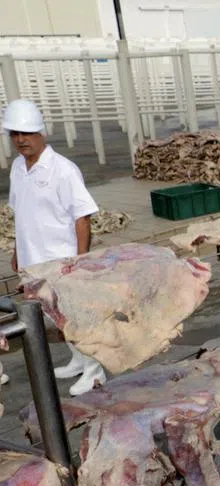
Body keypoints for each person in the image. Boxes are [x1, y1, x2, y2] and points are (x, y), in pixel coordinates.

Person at [4, 99, 104, 395]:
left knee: (75, 317)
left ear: (41, 132)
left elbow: (82, 218)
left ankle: (95, 371)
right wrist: (17, 251)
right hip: (33, 261)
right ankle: (77, 361)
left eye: (27, 133)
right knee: (54, 317)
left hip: (60, 260)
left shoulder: (63, 170)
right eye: (14, 134)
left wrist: (79, 260)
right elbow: (21, 212)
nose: (21, 140)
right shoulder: (18, 169)